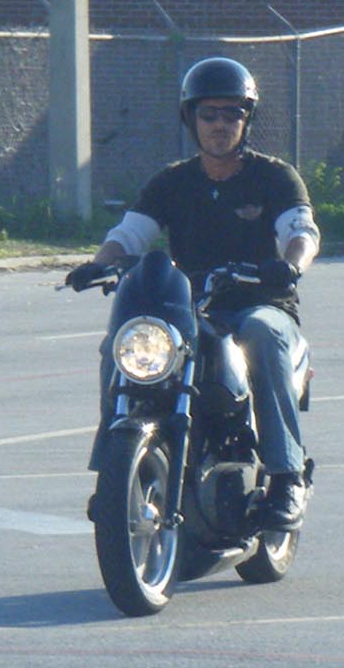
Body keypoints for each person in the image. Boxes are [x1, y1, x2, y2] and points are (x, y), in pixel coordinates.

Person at [66, 56, 320, 529]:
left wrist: (290, 265)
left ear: (247, 119)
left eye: (232, 114)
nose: (220, 125)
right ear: (191, 119)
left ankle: (287, 476)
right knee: (118, 345)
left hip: (260, 304)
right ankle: (111, 474)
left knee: (261, 334)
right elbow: (130, 234)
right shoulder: (172, 182)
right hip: (190, 309)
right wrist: (99, 264)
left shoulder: (274, 177)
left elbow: (301, 231)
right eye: (209, 114)